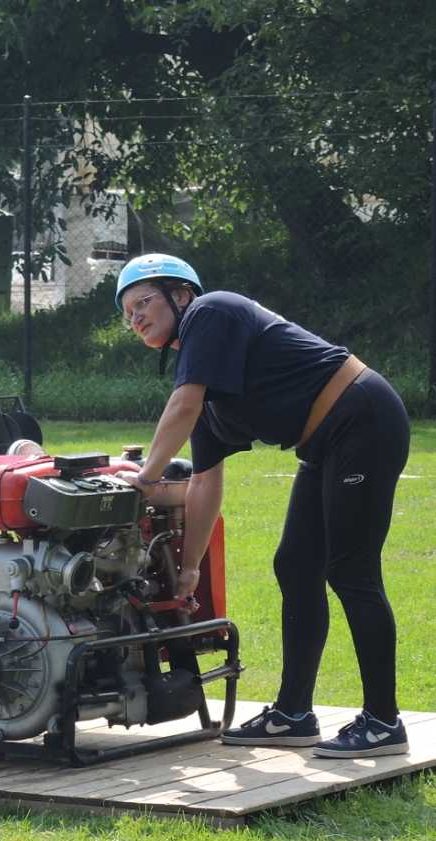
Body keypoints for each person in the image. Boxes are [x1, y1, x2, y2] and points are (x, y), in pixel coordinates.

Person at [112, 253, 411, 758]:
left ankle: (383, 721)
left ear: (181, 295)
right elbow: (206, 482)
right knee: (295, 565)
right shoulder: (204, 381)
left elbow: (181, 408)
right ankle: (293, 714)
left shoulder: (211, 312)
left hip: (363, 418)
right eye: (126, 313)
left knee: (351, 572)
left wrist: (147, 476)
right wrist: (187, 572)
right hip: (326, 442)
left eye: (143, 302)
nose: (135, 317)